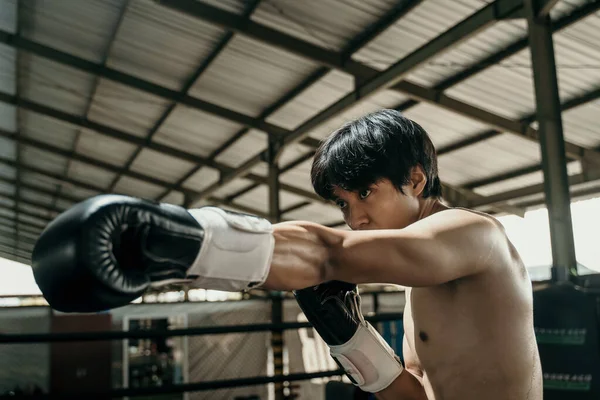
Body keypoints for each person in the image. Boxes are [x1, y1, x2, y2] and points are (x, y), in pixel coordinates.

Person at [32, 109, 542, 400]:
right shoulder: (424, 278)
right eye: (344, 203)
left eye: (366, 194)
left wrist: (180, 240)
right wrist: (353, 342)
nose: (355, 217)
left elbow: (329, 254)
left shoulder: (476, 235)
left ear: (415, 178)